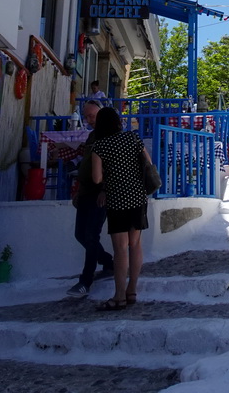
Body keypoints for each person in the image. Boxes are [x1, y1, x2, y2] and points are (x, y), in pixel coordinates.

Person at [91, 106, 152, 310]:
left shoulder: (100, 146)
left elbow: (96, 178)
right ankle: (131, 290)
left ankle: (119, 296)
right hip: (137, 197)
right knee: (135, 245)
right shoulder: (132, 138)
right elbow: (148, 163)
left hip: (117, 200)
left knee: (120, 249)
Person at [66, 100, 113, 297]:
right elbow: (86, 164)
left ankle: (85, 281)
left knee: (91, 235)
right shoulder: (92, 136)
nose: (88, 120)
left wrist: (105, 190)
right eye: (86, 116)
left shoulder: (109, 136)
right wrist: (78, 190)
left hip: (99, 194)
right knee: (80, 234)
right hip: (86, 192)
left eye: (91, 116)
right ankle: (108, 262)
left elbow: (112, 167)